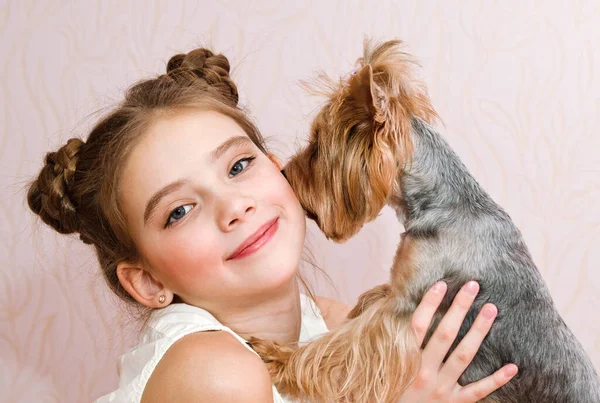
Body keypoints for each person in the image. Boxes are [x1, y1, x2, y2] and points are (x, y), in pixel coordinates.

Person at [26, 47, 518, 402]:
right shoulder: (214, 375)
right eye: (179, 211)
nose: (234, 207)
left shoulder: (331, 324)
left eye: (239, 167)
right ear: (148, 280)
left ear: (281, 169)